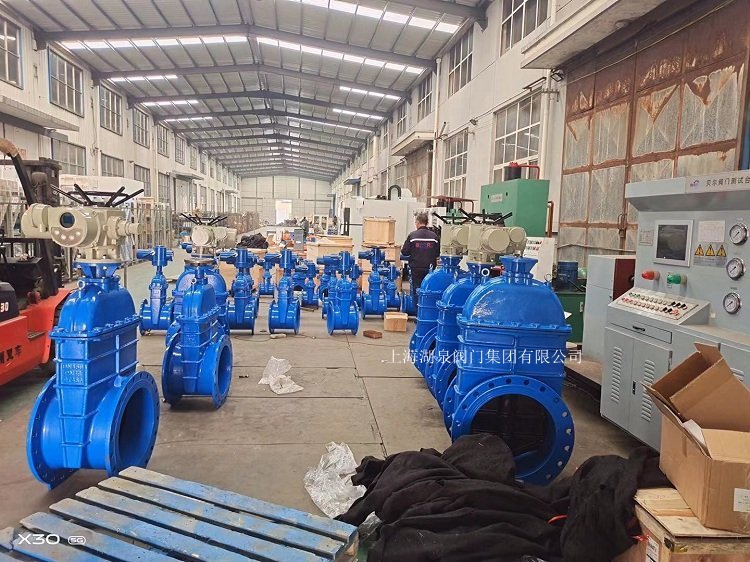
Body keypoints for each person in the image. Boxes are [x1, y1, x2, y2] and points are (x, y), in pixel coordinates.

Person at [401, 213, 439, 305]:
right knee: (428, 290)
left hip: (416, 268)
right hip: (430, 269)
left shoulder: (412, 236)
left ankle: (417, 309)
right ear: (427, 223)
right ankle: (427, 308)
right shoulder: (434, 237)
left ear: (417, 223)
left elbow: (404, 252)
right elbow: (437, 253)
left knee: (417, 290)